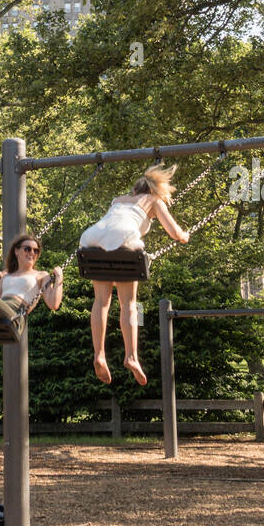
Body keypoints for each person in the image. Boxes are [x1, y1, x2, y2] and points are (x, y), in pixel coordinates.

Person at [78, 164, 190, 385]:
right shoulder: (154, 201)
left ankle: (99, 354)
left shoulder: (118, 200)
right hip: (124, 238)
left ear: (135, 190)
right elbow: (174, 232)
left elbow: (112, 224)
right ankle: (131, 356)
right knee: (129, 303)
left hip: (91, 238)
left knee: (101, 301)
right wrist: (184, 236)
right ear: (155, 190)